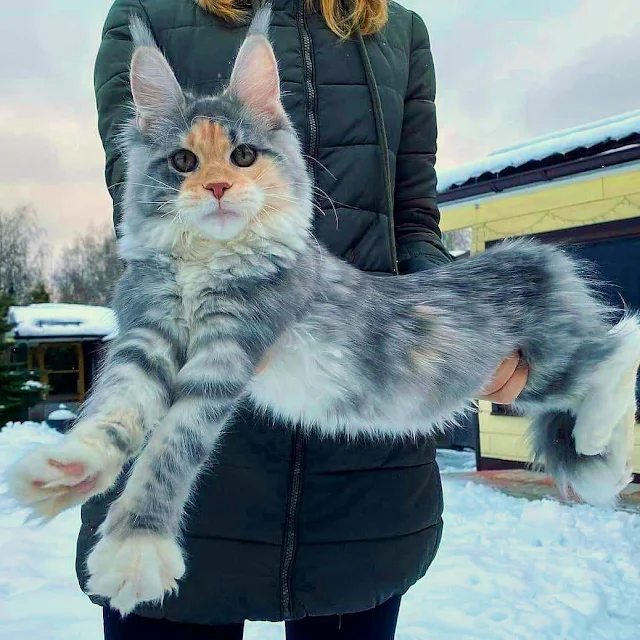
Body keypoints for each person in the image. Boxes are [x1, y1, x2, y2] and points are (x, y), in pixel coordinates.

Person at [81, 1, 528, 638]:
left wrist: (477, 330)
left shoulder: (395, 29)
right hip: (200, 439)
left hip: (359, 450)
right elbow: (141, 198)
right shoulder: (149, 12)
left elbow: (414, 222)